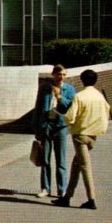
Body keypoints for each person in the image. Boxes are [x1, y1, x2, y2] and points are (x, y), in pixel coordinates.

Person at [52, 69, 111, 210]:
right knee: (76, 165)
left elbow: (70, 117)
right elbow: (107, 112)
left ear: (82, 80)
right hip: (94, 135)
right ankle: (67, 197)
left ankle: (91, 200)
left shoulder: (80, 96)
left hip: (80, 135)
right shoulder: (100, 97)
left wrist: (59, 113)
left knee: (85, 167)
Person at [32, 64, 76, 198]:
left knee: (60, 159)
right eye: (58, 74)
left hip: (61, 126)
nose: (61, 77)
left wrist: (59, 97)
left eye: (63, 75)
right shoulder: (45, 88)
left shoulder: (69, 89)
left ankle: (61, 189)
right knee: (45, 158)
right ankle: (46, 188)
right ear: (53, 74)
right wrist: (36, 128)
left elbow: (70, 106)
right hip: (47, 125)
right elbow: (38, 107)